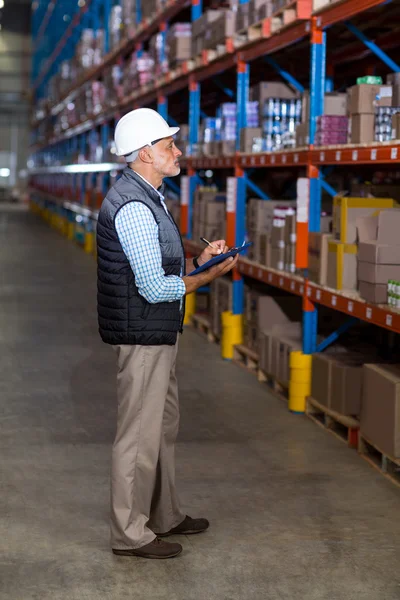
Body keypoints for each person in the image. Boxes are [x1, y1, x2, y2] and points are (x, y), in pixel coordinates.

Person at [96, 108, 238, 559]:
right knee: (138, 433)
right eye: (168, 146)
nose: (177, 152)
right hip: (143, 336)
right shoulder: (134, 205)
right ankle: (129, 533)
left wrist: (201, 264)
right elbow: (154, 286)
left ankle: (164, 514)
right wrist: (206, 279)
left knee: (162, 427)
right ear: (144, 154)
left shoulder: (151, 195)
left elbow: (165, 269)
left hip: (159, 332)